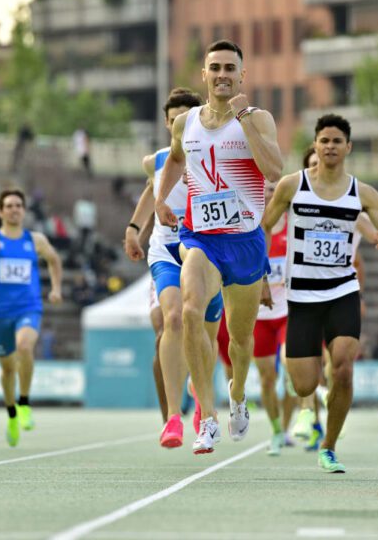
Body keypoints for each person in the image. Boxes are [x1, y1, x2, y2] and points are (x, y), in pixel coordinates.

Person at [155, 40, 283, 454]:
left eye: (231, 67)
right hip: (201, 238)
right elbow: (176, 159)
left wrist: (244, 120)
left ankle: (238, 393)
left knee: (239, 342)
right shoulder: (185, 122)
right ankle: (206, 418)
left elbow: (274, 170)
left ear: (242, 75)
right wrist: (161, 196)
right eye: (216, 67)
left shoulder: (258, 118)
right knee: (190, 310)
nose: (223, 74)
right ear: (205, 75)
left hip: (244, 241)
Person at [261, 113, 378, 473]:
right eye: (324, 141)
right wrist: (262, 278)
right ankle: (308, 404)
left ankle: (329, 445)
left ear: (348, 147)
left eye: (336, 141)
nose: (329, 147)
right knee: (304, 382)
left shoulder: (364, 193)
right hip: (301, 298)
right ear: (315, 145)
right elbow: (263, 228)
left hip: (343, 291)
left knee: (342, 369)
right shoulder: (292, 186)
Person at [125, 87, 225, 449]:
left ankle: (201, 397)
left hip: (205, 250)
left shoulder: (216, 154)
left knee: (204, 336)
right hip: (166, 250)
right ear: (168, 124)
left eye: (184, 118)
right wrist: (135, 229)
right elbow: (152, 189)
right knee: (171, 319)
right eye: (172, 121)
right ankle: (172, 417)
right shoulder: (155, 159)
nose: (178, 126)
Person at [0, 188, 63, 447]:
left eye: (18, 205)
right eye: (9, 205)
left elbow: (54, 261)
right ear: (1, 211)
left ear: (24, 211)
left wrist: (56, 288)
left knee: (25, 346)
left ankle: (24, 403)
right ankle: (11, 413)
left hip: (28, 307)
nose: (14, 209)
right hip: (0, 312)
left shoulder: (35, 240)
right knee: (8, 369)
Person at [255, 181, 289, 456]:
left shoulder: (293, 222)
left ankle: (289, 426)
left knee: (290, 368)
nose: (269, 193)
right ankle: (276, 428)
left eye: (275, 188)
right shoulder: (249, 223)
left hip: (289, 310)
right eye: (265, 188)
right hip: (258, 314)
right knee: (268, 379)